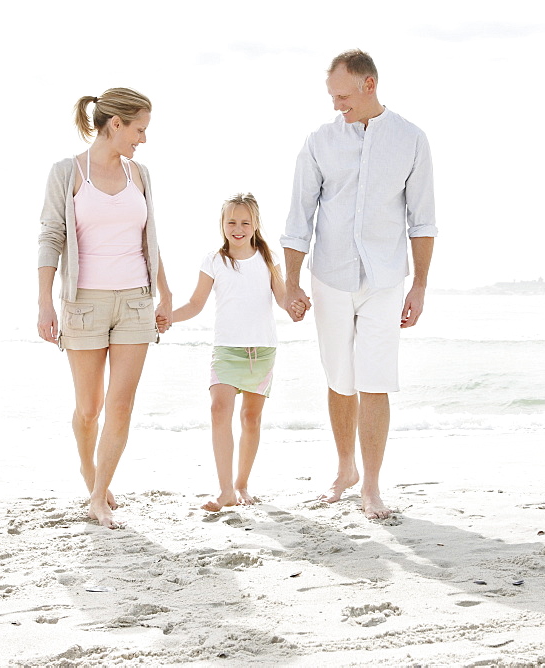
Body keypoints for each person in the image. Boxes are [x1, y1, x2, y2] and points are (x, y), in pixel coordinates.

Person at [281, 50, 437, 520]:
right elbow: (298, 217)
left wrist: (420, 287)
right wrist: (291, 284)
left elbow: (423, 221)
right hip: (330, 274)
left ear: (370, 85)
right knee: (339, 379)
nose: (336, 105)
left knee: (376, 380)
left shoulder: (411, 139)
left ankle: (371, 486)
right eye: (332, 96)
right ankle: (345, 467)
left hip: (387, 278)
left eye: (343, 96)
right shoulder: (319, 142)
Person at [37, 87, 173, 529]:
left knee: (121, 404)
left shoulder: (141, 175)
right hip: (83, 305)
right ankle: (88, 470)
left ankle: (98, 496)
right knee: (90, 408)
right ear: (115, 124)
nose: (143, 139)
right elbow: (51, 237)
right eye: (139, 129)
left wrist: (165, 292)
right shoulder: (68, 173)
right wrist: (45, 302)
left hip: (135, 300)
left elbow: (149, 236)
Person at [164, 194, 304, 511]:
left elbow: (283, 299)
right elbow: (195, 304)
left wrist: (295, 305)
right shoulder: (214, 260)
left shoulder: (268, 259)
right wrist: (168, 317)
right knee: (218, 410)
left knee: (251, 420)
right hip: (226, 351)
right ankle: (225, 490)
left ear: (255, 225)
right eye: (232, 222)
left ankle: (242, 484)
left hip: (262, 350)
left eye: (244, 222)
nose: (238, 228)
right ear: (223, 225)